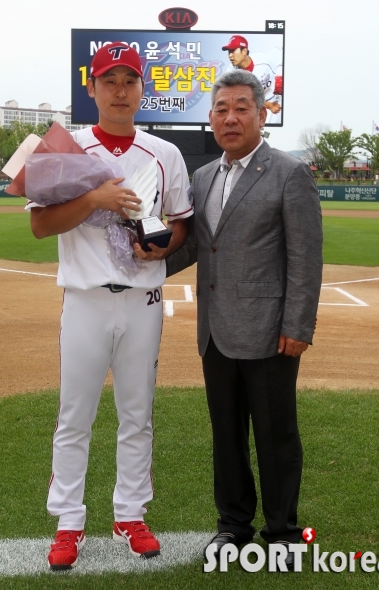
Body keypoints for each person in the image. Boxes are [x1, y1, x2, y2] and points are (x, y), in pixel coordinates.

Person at [135, 69, 322, 570]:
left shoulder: (288, 173)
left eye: (242, 107)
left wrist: (298, 326)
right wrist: (140, 262)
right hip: (215, 332)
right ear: (211, 118)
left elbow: (306, 259)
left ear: (262, 115)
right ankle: (233, 526)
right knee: (227, 436)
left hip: (270, 333)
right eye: (222, 109)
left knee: (276, 435)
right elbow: (196, 245)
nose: (231, 117)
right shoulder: (203, 177)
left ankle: (282, 531)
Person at [28, 42, 193, 570]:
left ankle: (129, 514)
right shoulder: (66, 150)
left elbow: (181, 222)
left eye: (130, 80)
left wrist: (164, 244)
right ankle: (69, 521)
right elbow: (40, 225)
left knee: (137, 415)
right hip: (84, 299)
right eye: (109, 80)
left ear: (142, 89)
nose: (120, 90)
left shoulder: (164, 154)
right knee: (74, 415)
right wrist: (93, 200)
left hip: (144, 300)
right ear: (92, 88)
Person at [222, 35, 282, 121]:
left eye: (233, 51)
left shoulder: (264, 59)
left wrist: (280, 75)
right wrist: (269, 105)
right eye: (229, 52)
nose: (230, 55)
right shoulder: (231, 75)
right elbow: (244, 101)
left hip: (276, 98)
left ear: (244, 51)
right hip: (259, 107)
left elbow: (282, 51)